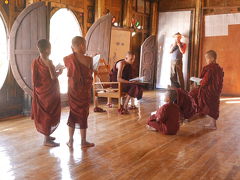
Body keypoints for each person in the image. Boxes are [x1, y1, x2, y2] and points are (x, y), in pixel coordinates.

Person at [64, 36, 94, 148]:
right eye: (85, 45)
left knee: (73, 114)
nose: (85, 48)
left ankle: (70, 141)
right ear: (81, 46)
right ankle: (83, 141)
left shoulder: (67, 58)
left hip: (73, 91)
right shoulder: (89, 59)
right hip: (84, 92)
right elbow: (90, 74)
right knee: (83, 115)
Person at [31, 39, 63, 147]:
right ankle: (46, 140)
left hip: (41, 91)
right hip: (50, 91)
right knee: (49, 113)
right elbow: (53, 77)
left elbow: (35, 79)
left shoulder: (36, 61)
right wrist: (60, 71)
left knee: (45, 113)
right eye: (50, 48)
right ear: (47, 49)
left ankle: (47, 135)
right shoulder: (49, 62)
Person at [195, 50, 224, 129]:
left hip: (209, 91)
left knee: (209, 105)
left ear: (212, 58)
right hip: (216, 91)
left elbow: (205, 81)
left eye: (207, 58)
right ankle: (213, 123)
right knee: (214, 106)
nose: (206, 60)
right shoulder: (219, 68)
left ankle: (213, 124)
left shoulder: (210, 69)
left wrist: (198, 81)